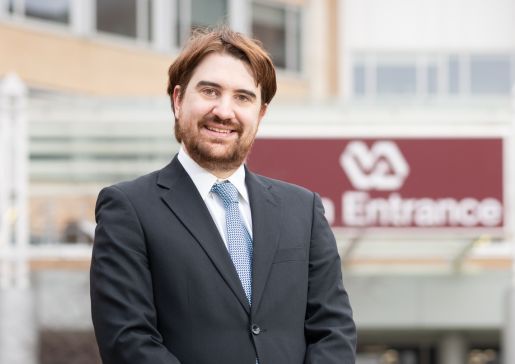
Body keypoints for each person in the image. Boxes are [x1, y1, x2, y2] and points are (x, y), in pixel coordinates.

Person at [90, 26, 356, 364]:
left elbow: (333, 330)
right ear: (178, 100)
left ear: (260, 114)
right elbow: (128, 341)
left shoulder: (303, 210)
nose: (224, 111)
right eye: (210, 91)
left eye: (243, 97)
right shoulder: (129, 209)